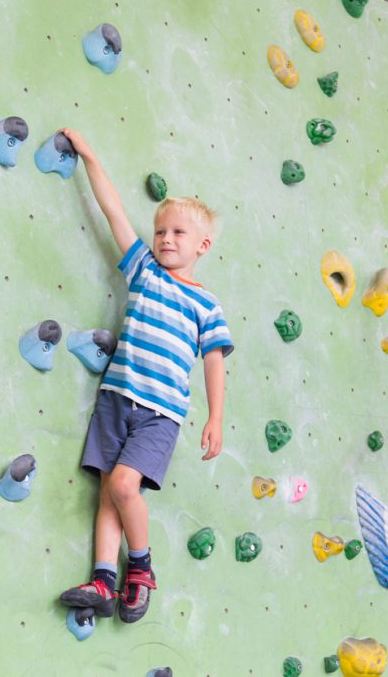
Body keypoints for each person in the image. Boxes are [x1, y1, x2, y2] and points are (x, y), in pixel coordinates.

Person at [57, 128, 234, 623]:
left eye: (177, 233)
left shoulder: (206, 304)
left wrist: (216, 417)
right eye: (160, 231)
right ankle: (102, 579)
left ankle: (141, 567)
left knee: (126, 486)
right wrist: (90, 154)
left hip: (160, 414)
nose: (165, 239)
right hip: (116, 398)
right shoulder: (144, 271)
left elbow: (215, 358)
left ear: (202, 244)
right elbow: (113, 210)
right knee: (109, 491)